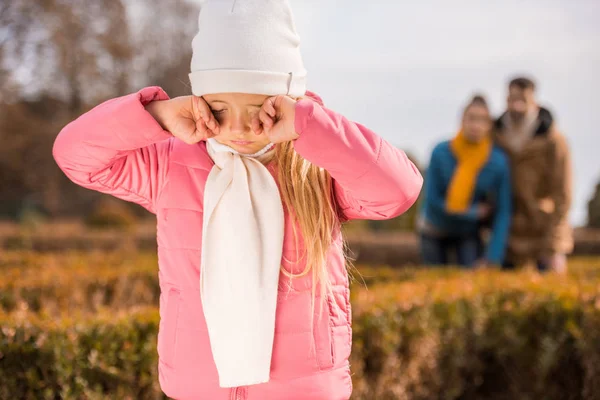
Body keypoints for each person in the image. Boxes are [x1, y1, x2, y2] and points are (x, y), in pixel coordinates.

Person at [52, 1, 423, 399]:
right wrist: (158, 115)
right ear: (199, 99)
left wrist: (309, 126)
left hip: (301, 388)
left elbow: (397, 190)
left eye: (258, 107)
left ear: (288, 99)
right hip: (200, 383)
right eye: (220, 108)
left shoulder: (316, 166)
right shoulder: (172, 163)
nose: (241, 127)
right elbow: (75, 155)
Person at [419, 95, 511, 268]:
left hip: (468, 233)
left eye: (482, 120)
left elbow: (503, 211)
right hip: (434, 229)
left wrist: (493, 257)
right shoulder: (440, 152)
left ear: (489, 125)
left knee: (469, 279)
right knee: (435, 281)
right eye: (472, 119)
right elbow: (432, 202)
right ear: (462, 120)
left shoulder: (497, 162)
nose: (476, 125)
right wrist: (472, 213)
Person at [494, 77, 573, 273]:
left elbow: (562, 192)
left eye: (523, 98)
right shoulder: (495, 135)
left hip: (542, 231)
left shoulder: (553, 140)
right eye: (512, 98)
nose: (516, 104)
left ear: (534, 100)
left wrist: (554, 243)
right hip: (508, 233)